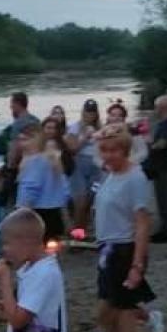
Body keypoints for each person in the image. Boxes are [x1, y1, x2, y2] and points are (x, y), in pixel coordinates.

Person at [91, 123, 160, 332]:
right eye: (104, 150)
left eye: (114, 150)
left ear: (125, 150)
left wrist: (137, 265)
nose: (108, 155)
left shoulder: (135, 178)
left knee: (123, 318)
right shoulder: (111, 174)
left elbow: (142, 223)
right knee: (106, 318)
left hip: (124, 252)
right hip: (108, 252)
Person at [16, 120, 71, 241]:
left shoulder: (34, 161)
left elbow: (30, 189)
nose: (21, 143)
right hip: (54, 212)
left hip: (36, 213)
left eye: (25, 139)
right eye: (20, 139)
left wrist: (20, 214)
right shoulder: (52, 159)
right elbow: (65, 188)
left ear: (35, 140)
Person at [143, 94, 167, 243]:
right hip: (165, 165)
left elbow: (162, 143)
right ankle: (165, 229)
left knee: (163, 199)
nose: (155, 110)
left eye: (156, 107)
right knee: (164, 199)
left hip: (163, 167)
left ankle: (165, 232)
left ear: (162, 108)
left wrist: (150, 145)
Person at [67, 98, 103, 232]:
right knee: (80, 201)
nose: (90, 115)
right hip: (79, 166)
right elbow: (72, 149)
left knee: (91, 199)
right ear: (83, 112)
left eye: (93, 112)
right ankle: (77, 232)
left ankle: (85, 229)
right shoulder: (74, 127)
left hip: (96, 166)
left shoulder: (101, 128)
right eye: (88, 112)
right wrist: (84, 137)